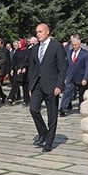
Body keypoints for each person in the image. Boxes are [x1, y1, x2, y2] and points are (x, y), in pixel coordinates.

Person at [28, 23, 67, 153]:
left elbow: (62, 67)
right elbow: (33, 68)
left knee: (52, 114)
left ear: (47, 32)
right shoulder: (35, 48)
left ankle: (49, 142)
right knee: (33, 109)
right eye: (36, 32)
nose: (38, 34)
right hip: (38, 85)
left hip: (51, 85)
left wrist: (59, 85)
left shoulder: (56, 46)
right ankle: (43, 132)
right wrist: (31, 86)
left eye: (40, 31)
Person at [60, 36, 88, 116]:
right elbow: (67, 65)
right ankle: (63, 109)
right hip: (70, 76)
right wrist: (65, 77)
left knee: (82, 94)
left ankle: (83, 108)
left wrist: (85, 78)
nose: (74, 47)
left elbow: (87, 67)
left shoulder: (85, 54)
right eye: (73, 45)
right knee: (67, 92)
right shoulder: (69, 52)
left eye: (75, 45)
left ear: (79, 44)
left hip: (80, 77)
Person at [6, 38, 29, 105]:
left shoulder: (26, 51)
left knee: (25, 86)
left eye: (19, 43)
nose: (18, 44)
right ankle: (11, 98)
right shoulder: (17, 51)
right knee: (15, 84)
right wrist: (12, 69)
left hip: (24, 71)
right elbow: (13, 61)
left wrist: (23, 67)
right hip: (17, 70)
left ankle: (26, 100)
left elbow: (26, 60)